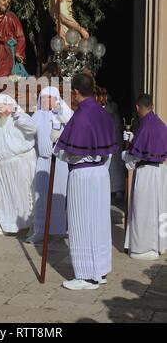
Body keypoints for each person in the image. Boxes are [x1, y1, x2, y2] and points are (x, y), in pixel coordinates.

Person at [55, 73, 117, 290]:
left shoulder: (80, 117)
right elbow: (109, 151)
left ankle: (84, 276)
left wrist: (57, 143)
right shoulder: (103, 114)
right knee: (99, 222)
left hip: (82, 175)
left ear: (75, 92)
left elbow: (63, 154)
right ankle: (99, 272)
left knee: (81, 222)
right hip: (101, 174)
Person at [122, 94, 167, 260]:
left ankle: (142, 247)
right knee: (158, 209)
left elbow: (137, 156)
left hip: (147, 173)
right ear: (152, 106)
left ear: (137, 107)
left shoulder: (146, 125)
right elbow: (149, 144)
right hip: (160, 171)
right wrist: (133, 140)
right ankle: (158, 245)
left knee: (143, 210)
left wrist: (126, 155)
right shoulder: (159, 123)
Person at [26, 86, 73, 243]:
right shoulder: (37, 115)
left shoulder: (62, 113)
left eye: (49, 98)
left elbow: (71, 121)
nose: (45, 101)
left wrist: (61, 111)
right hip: (43, 160)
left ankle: (61, 229)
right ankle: (40, 230)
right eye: (43, 98)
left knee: (61, 196)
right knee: (41, 196)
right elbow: (28, 130)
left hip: (60, 162)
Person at [0, 94, 37, 238]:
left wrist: (16, 113)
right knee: (3, 197)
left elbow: (32, 129)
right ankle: (5, 225)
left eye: (1, 108)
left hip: (20, 162)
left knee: (25, 196)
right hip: (3, 165)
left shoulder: (19, 117)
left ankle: (31, 226)